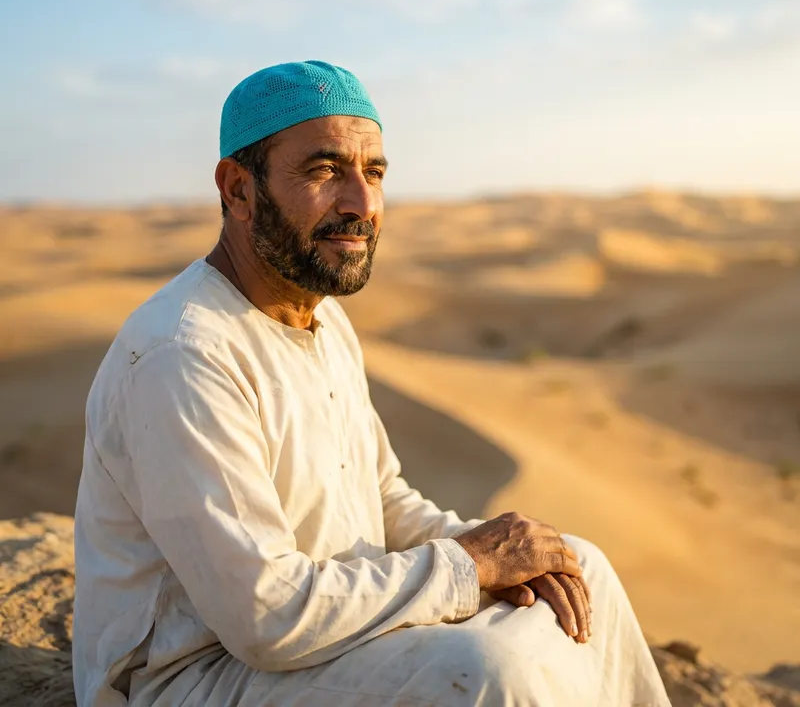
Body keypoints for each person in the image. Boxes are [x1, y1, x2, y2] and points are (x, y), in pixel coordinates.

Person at [72, 60, 670, 707]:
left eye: (374, 172)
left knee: (581, 568)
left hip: (331, 624)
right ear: (238, 190)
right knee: (489, 669)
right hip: (193, 676)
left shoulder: (324, 320)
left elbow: (382, 501)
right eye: (325, 171)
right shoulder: (183, 354)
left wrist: (500, 551)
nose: (361, 204)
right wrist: (468, 566)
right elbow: (264, 616)